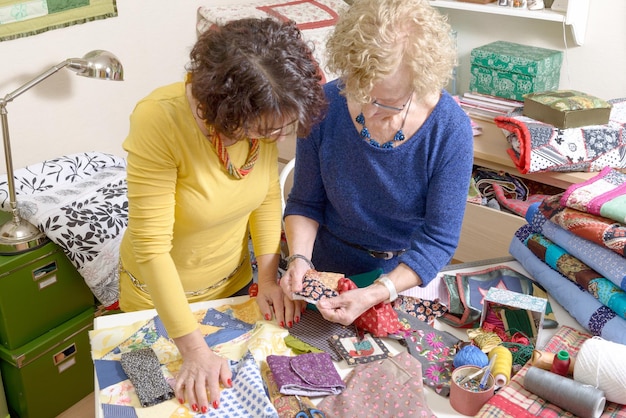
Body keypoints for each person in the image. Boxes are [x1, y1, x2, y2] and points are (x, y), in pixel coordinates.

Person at [118, 18, 326, 413]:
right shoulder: (158, 119)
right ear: (224, 111)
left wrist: (266, 276)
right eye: (264, 131)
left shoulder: (261, 117)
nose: (274, 140)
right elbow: (151, 247)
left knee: (241, 396)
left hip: (233, 288)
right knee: (147, 406)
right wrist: (193, 349)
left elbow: (265, 197)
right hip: (152, 301)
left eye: (280, 130)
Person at [281, 0, 474, 327]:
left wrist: (377, 292)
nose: (369, 113)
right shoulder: (325, 105)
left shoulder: (449, 131)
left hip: (398, 279)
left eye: (387, 104)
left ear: (420, 82)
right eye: (360, 94)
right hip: (322, 266)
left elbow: (438, 240)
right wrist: (300, 259)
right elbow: (305, 201)